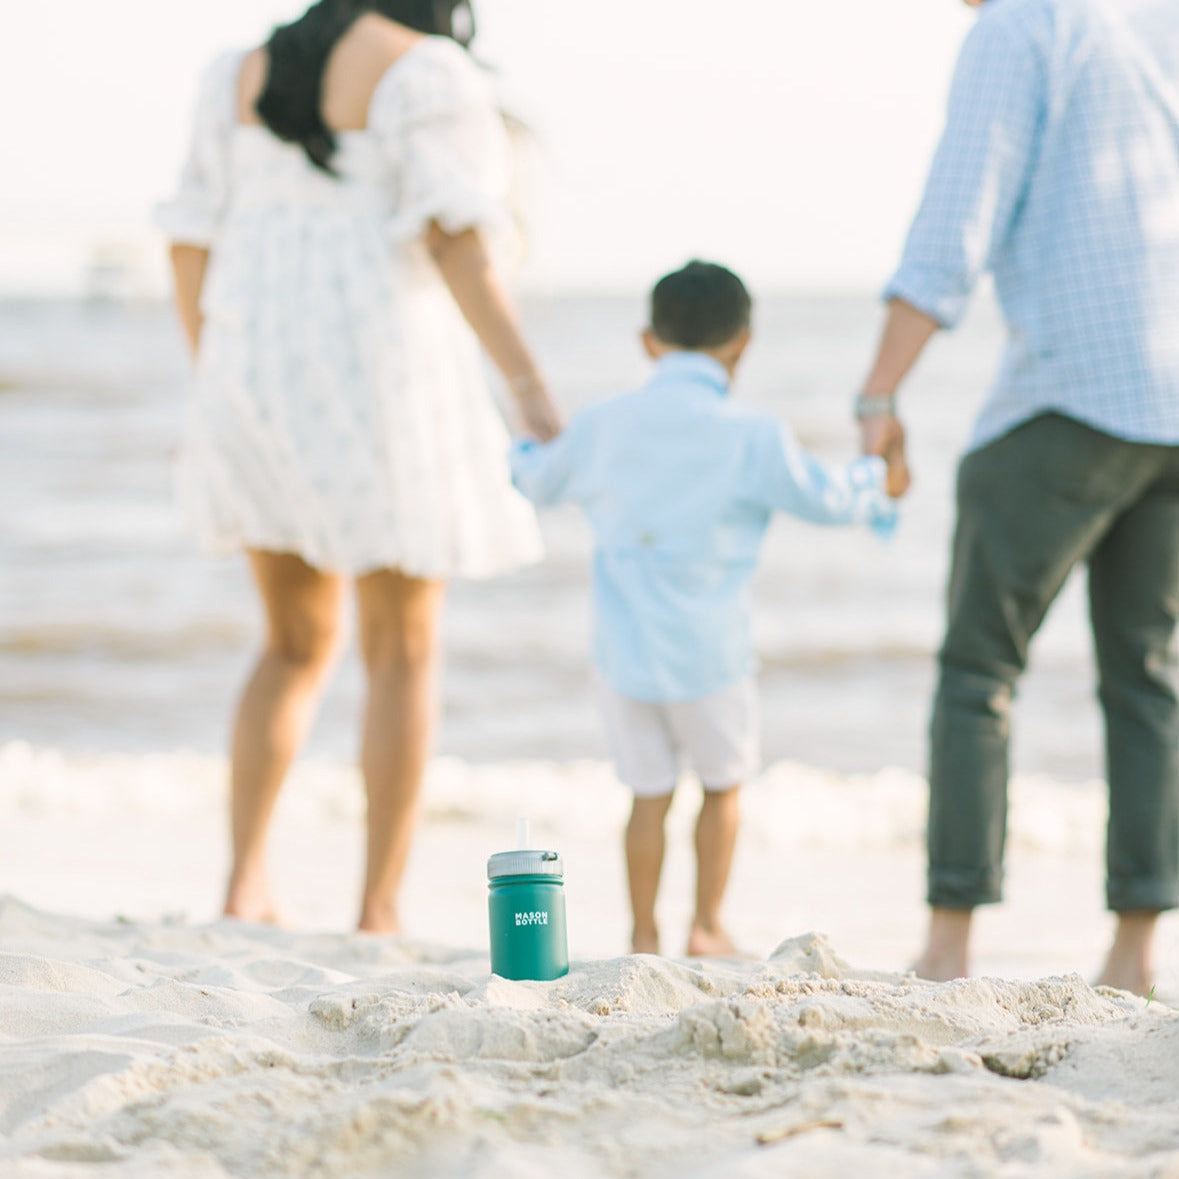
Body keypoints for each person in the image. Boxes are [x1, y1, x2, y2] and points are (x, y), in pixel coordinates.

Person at [155, 0, 561, 933]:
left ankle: (243, 884)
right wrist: (530, 387)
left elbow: (187, 240)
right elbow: (454, 240)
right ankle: (377, 906)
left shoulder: (235, 74)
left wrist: (215, 380)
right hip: (378, 376)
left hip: (252, 373)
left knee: (290, 642)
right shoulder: (427, 73)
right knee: (401, 647)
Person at [857, 0, 1179, 994]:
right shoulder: (1148, 25)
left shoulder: (1018, 27)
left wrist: (879, 392)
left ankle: (949, 945)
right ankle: (1134, 953)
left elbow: (952, 230)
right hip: (1171, 406)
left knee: (978, 671)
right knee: (1146, 678)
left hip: (1066, 400)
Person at [512, 261, 899, 956]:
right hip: (711, 655)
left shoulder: (603, 423)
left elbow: (536, 481)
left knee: (646, 793)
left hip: (624, 653)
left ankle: (642, 931)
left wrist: (519, 444)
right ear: (742, 343)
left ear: (648, 341)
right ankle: (706, 924)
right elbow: (829, 499)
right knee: (722, 787)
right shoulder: (753, 434)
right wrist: (878, 475)